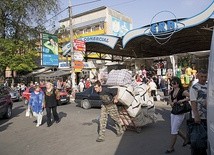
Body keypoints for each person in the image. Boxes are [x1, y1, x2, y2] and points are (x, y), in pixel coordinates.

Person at [166, 77, 189, 153]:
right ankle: (186, 138)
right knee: (175, 129)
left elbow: (191, 96)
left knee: (174, 131)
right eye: (172, 83)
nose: (173, 84)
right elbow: (171, 104)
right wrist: (171, 101)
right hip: (173, 112)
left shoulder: (182, 91)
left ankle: (171, 147)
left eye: (174, 83)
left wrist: (182, 100)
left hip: (180, 113)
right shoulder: (172, 92)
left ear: (178, 83)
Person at [190, 70, 208, 155]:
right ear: (198, 77)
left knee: (204, 140)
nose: (204, 78)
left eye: (205, 76)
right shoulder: (194, 87)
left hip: (208, 117)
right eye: (202, 76)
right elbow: (193, 102)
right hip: (199, 118)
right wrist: (196, 116)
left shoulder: (209, 86)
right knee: (197, 140)